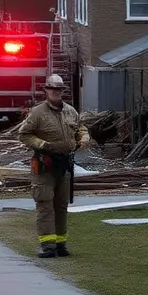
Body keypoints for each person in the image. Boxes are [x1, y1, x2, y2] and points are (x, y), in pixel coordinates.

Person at [16, 74, 91, 258]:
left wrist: (83, 138)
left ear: (62, 91)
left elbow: (81, 128)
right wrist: (43, 145)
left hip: (64, 165)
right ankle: (47, 245)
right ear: (46, 90)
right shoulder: (37, 113)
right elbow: (24, 134)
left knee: (61, 205)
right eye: (52, 89)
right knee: (45, 205)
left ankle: (60, 244)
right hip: (45, 165)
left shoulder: (70, 111)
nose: (56, 93)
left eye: (59, 90)